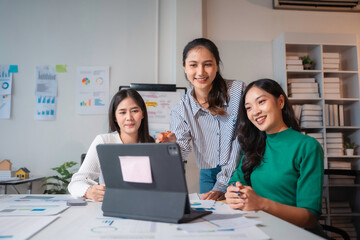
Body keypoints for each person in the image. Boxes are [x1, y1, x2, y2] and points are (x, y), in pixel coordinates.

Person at [225, 78, 324, 230]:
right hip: (260, 227)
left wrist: (262, 204)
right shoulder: (253, 146)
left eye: (261, 102)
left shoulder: (307, 146)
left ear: (280, 102)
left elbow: (310, 217)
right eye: (248, 108)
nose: (255, 112)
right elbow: (235, 182)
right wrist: (233, 192)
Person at [159, 38, 245, 200]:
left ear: (216, 66)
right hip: (208, 175)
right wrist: (169, 146)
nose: (200, 72)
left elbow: (240, 141)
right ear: (184, 67)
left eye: (207, 64)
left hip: (240, 170)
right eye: (193, 65)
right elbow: (182, 150)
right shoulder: (180, 110)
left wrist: (222, 184)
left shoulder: (237, 92)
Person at [68, 89, 154, 201]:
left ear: (142, 113)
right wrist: (89, 192)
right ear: (115, 117)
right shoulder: (104, 141)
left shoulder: (152, 144)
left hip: (145, 205)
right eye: (122, 112)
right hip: (112, 207)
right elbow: (75, 183)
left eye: (134, 111)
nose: (129, 117)